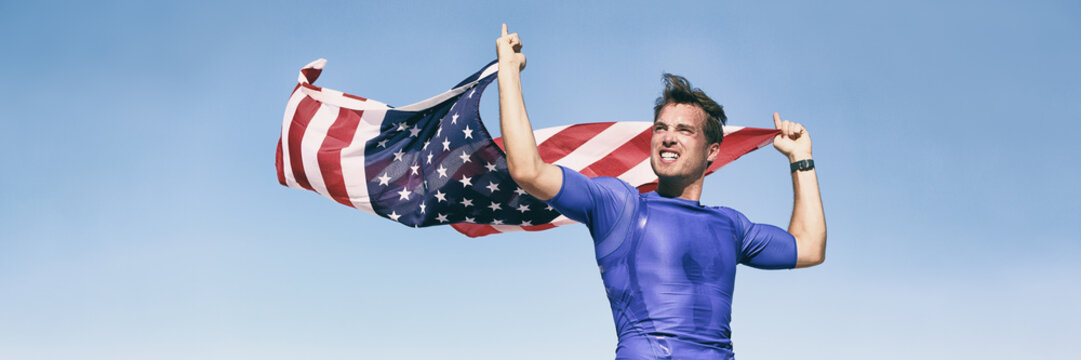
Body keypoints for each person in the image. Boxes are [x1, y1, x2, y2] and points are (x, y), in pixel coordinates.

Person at [495, 24, 826, 360]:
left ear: (712, 151)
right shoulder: (619, 206)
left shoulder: (731, 226)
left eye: (684, 130)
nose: (668, 137)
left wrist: (801, 159)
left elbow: (809, 249)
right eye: (661, 129)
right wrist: (508, 72)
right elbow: (528, 170)